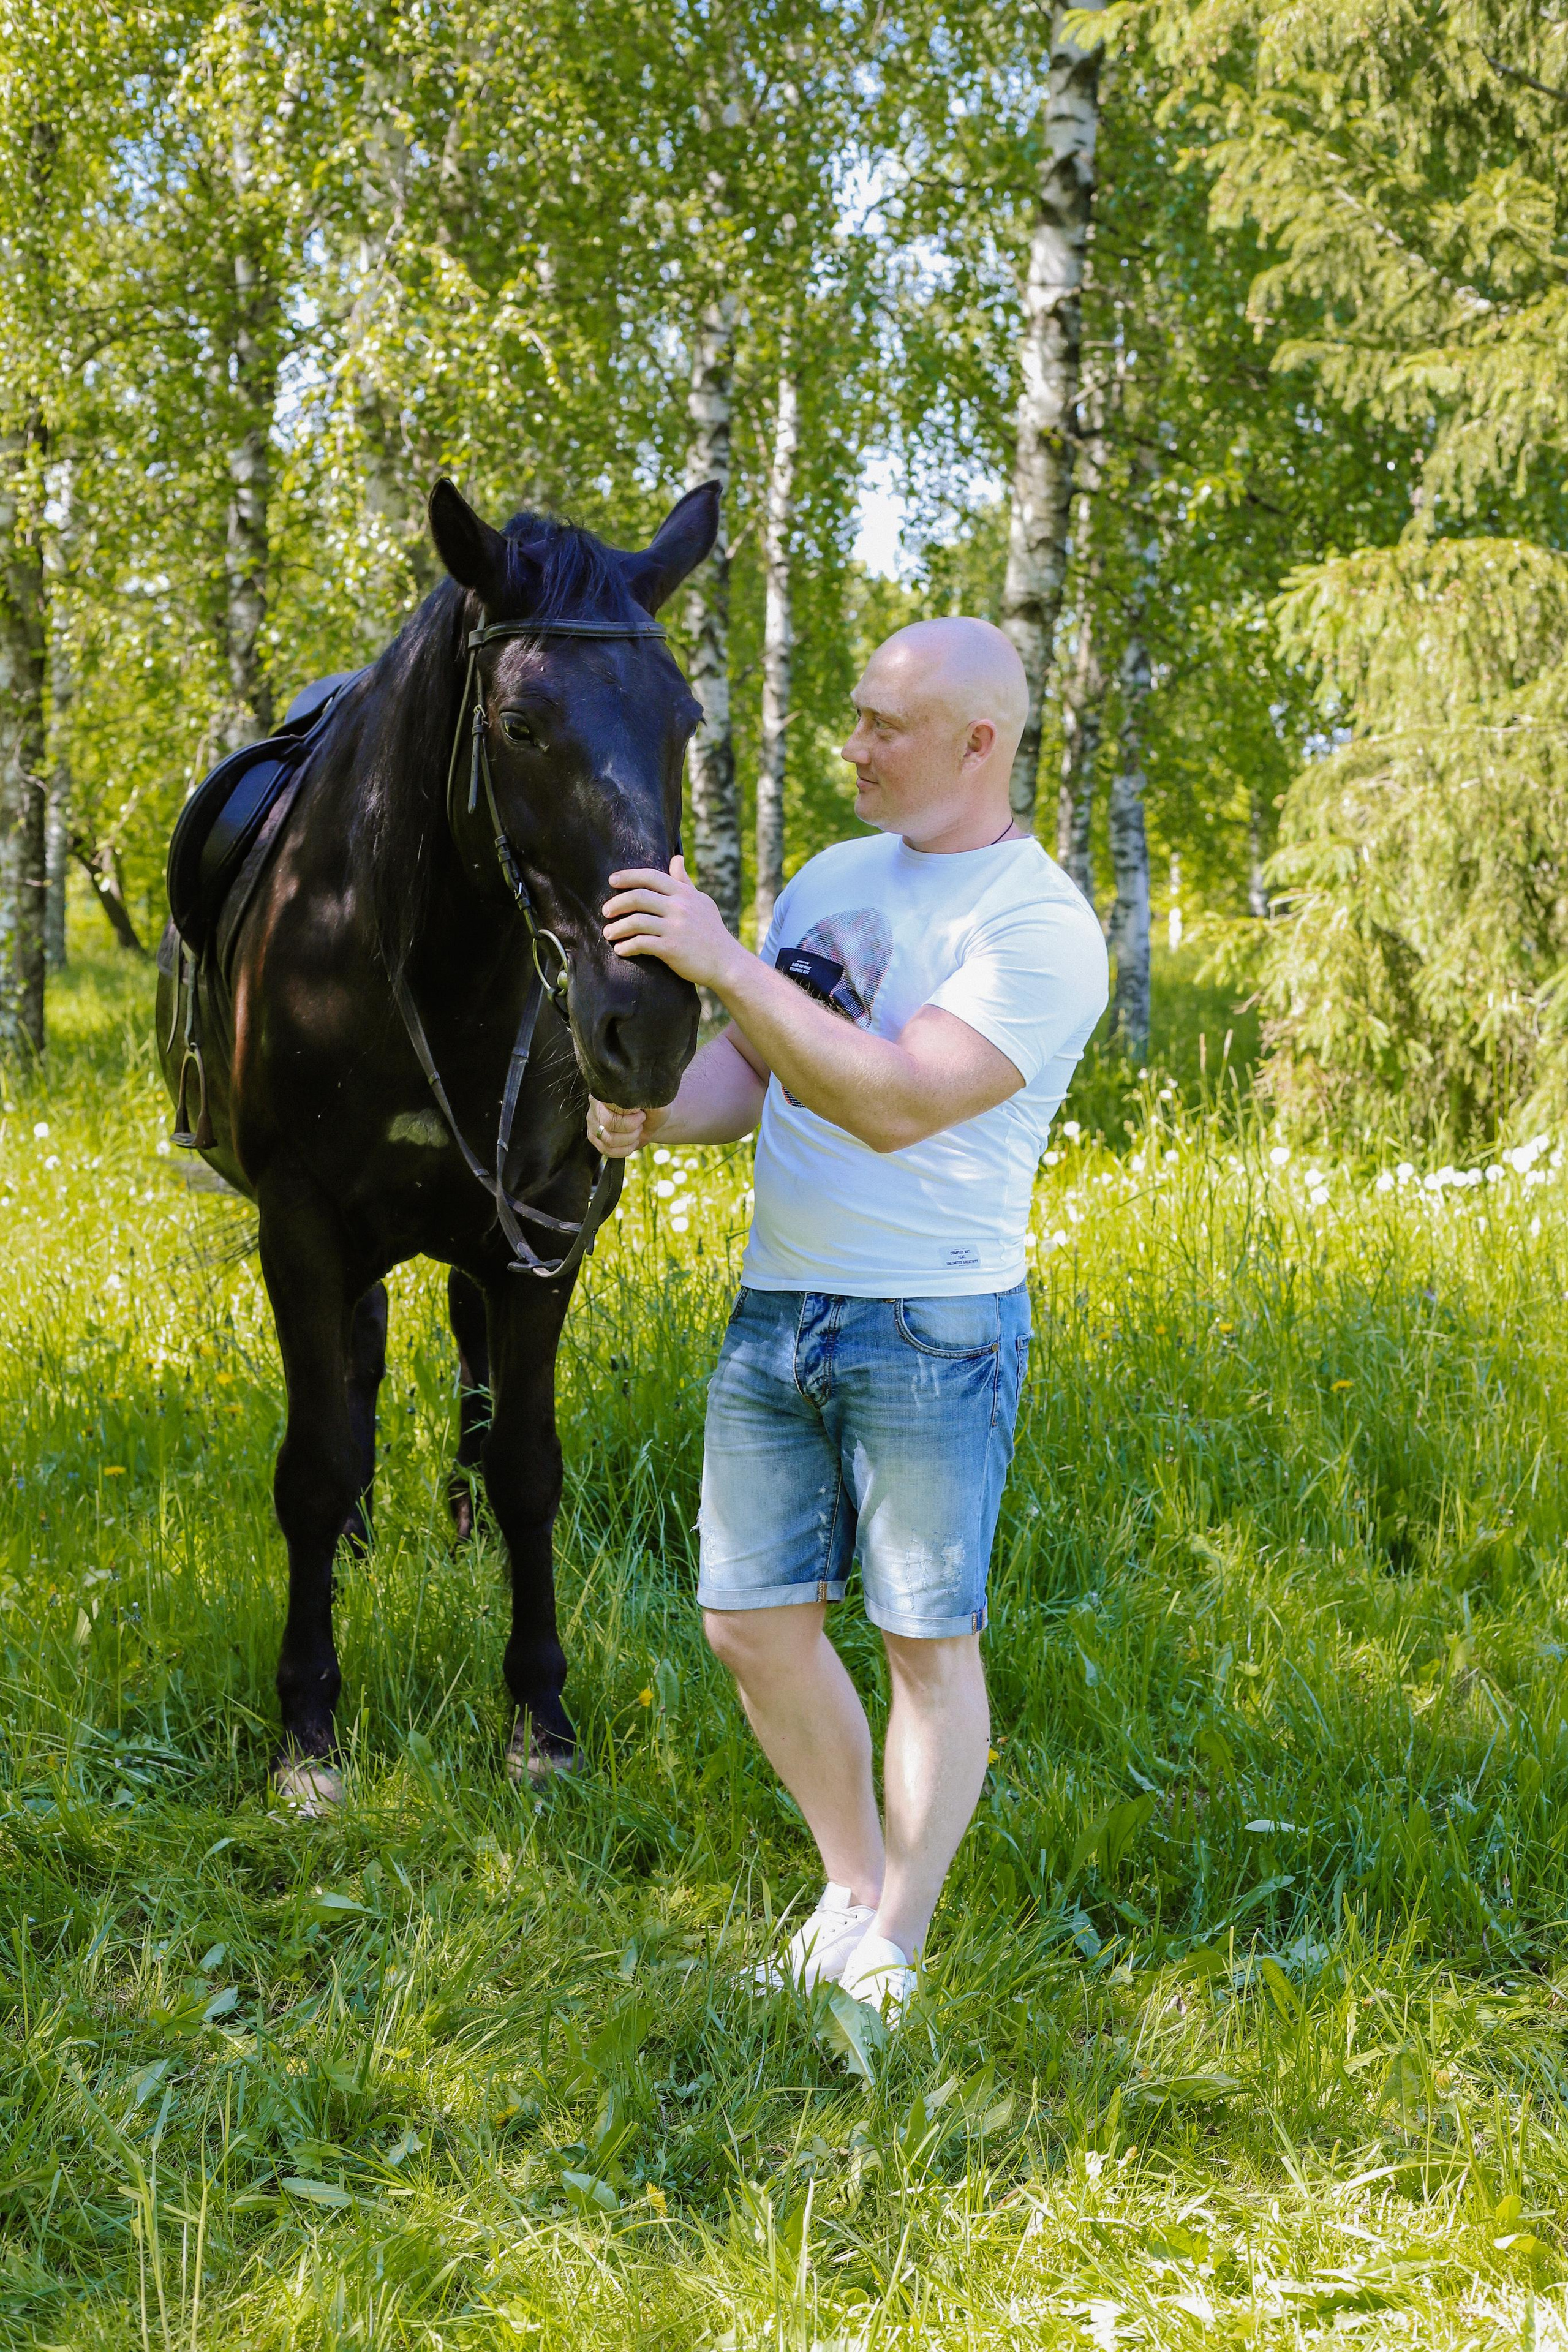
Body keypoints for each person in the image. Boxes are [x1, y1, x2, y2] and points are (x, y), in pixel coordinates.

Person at [587, 617, 1108, 2018]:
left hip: (931, 1326)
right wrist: (642, 1115)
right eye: (856, 714)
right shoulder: (830, 877)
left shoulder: (1039, 928)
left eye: (885, 724)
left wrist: (716, 958)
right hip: (779, 1309)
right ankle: (846, 1883)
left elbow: (887, 1098)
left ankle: (896, 1946)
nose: (855, 746)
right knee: (747, 1622)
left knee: (922, 1646)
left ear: (977, 743)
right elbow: (754, 1075)